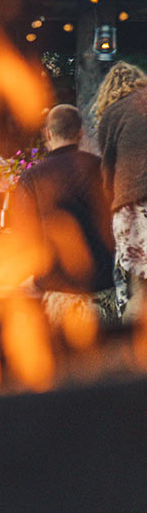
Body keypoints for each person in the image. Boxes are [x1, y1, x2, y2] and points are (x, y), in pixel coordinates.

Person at [9, 105, 115, 314]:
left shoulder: (31, 178)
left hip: (54, 284)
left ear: (48, 133)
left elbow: (23, 239)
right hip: (103, 281)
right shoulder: (101, 168)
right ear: (80, 134)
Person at [94, 61, 147, 319]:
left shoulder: (112, 114)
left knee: (136, 286)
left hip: (132, 206)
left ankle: (135, 350)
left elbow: (108, 173)